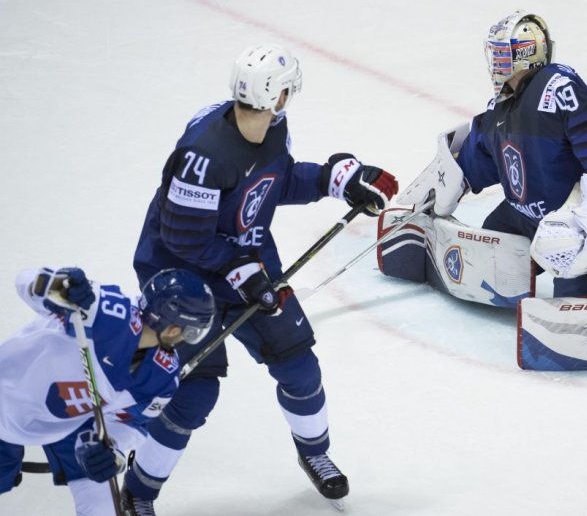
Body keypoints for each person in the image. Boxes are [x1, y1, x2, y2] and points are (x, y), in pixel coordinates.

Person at [121, 44, 399, 513]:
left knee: (299, 368)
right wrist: (241, 269)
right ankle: (139, 491)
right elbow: (184, 237)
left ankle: (315, 455)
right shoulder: (203, 154)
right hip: (181, 279)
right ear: (279, 94)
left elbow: (272, 184)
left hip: (244, 261)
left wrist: (336, 180)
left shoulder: (271, 127)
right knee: (194, 393)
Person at [402, 10, 587, 298]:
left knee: (578, 302)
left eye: (501, 54)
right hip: (533, 215)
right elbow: (482, 154)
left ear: (525, 54)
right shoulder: (502, 107)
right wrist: (447, 183)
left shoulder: (555, 87)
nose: (494, 62)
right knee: (491, 252)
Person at [0, 266, 215, 516]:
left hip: (75, 425)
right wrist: (56, 285)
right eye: (191, 331)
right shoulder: (101, 308)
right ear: (173, 330)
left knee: (104, 509)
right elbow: (25, 280)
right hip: (6, 399)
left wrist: (114, 452)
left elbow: (134, 424)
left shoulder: (163, 376)